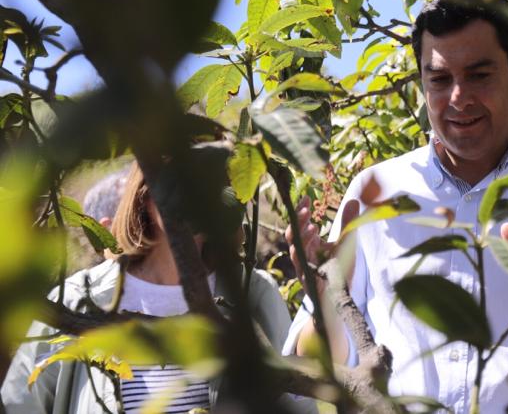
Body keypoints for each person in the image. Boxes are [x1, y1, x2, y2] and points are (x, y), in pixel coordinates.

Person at [285, 0, 508, 413]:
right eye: (439, 79)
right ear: (421, 81)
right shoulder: (373, 195)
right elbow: (313, 368)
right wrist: (326, 296)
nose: (459, 97)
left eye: (479, 74)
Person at [2, 161, 312, 414]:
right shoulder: (75, 298)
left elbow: (299, 405)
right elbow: (19, 405)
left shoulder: (254, 295)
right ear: (144, 193)